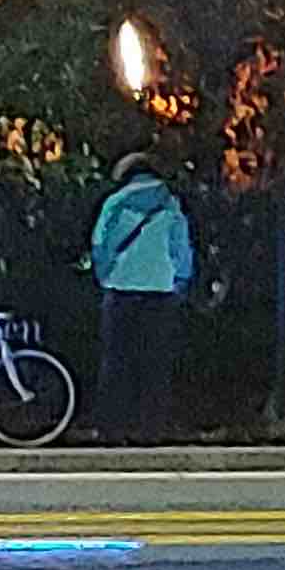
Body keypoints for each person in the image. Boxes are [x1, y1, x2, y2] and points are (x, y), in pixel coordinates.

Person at [88, 151, 197, 438]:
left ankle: (111, 428)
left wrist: (105, 275)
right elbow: (181, 249)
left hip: (120, 289)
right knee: (154, 364)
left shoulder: (115, 203)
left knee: (115, 361)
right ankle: (150, 429)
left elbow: (100, 244)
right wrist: (180, 282)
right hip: (160, 291)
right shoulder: (171, 205)